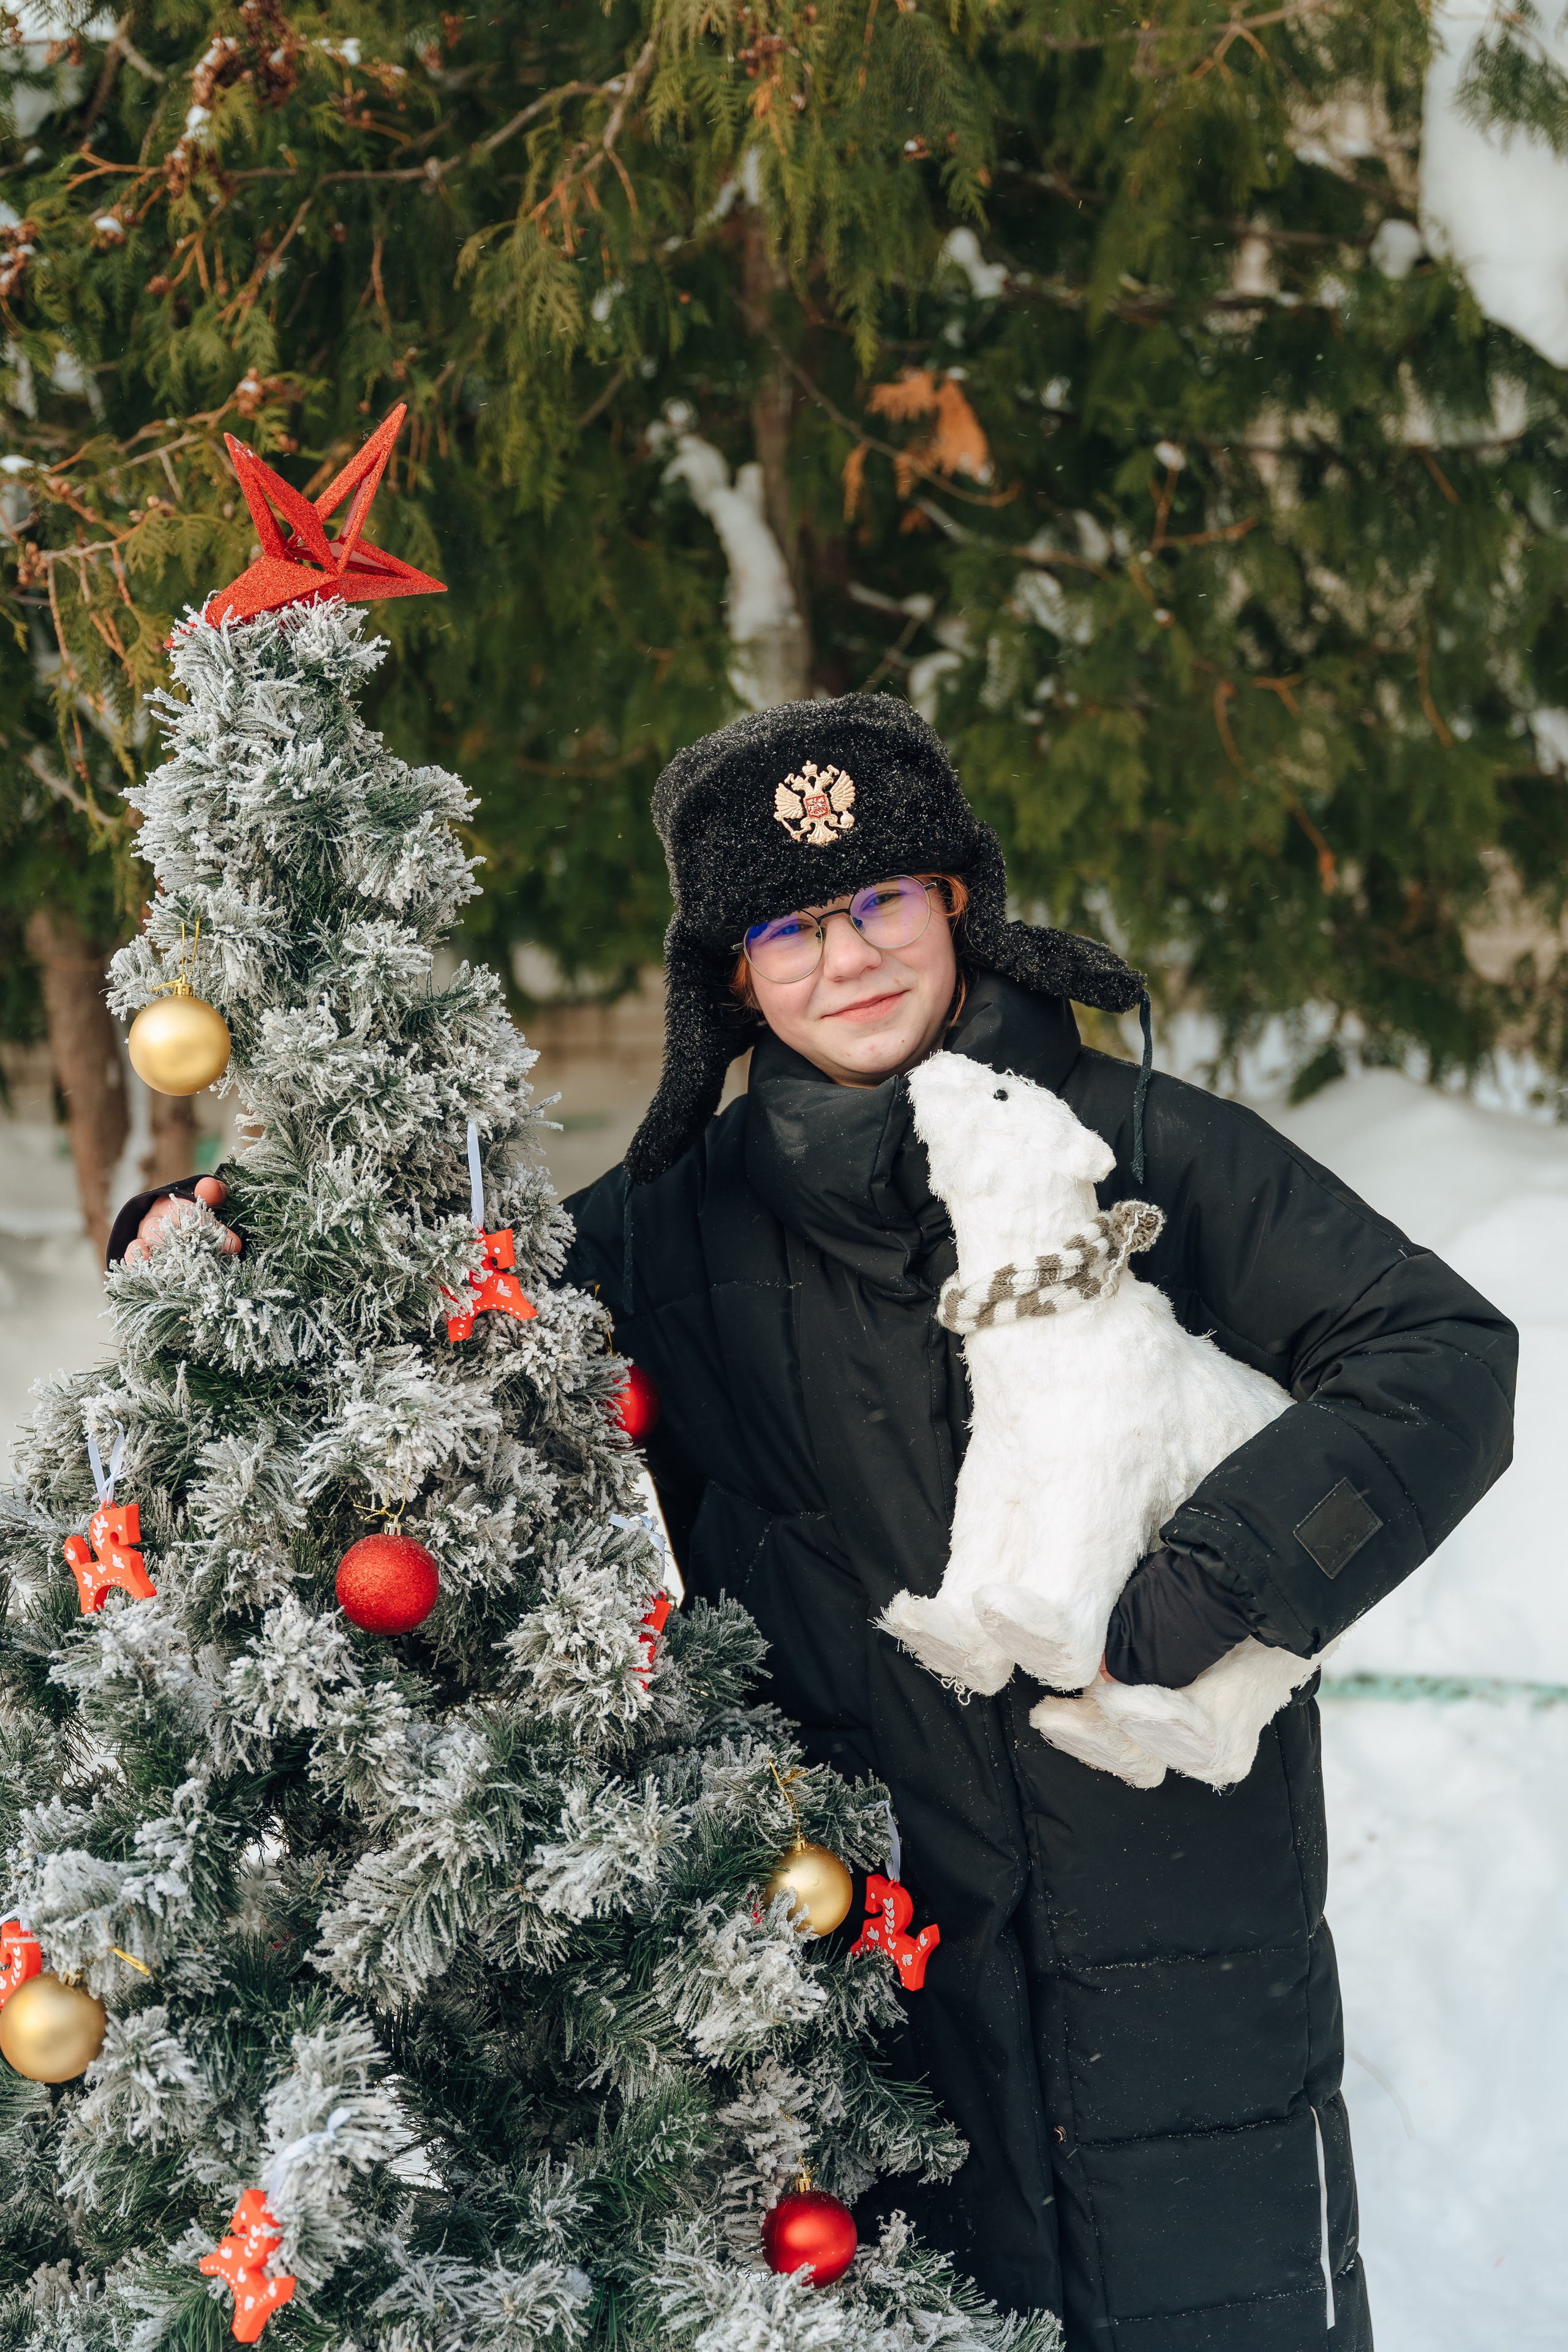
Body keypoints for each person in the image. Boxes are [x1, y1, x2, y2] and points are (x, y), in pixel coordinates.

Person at [121, 696, 1516, 2350]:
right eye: (790, 929)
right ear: (730, 980)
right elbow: (436, 1340)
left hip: (1181, 1916)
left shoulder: (1140, 1146)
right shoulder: (671, 1235)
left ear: (957, 906)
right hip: (870, 1944)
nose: (847, 957)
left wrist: (1211, 1585)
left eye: (881, 902)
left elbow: (1440, 1357)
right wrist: (215, 1239)